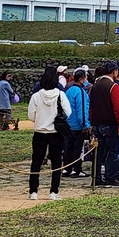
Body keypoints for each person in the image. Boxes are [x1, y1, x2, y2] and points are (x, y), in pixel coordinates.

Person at [27, 70, 71, 200]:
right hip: (56, 133)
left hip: (40, 132)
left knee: (36, 162)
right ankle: (54, 191)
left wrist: (40, 119)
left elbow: (31, 116)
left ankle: (33, 191)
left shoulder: (36, 96)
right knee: (56, 163)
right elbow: (68, 112)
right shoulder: (61, 95)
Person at [89, 61, 119, 188]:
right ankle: (110, 177)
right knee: (114, 152)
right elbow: (116, 107)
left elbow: (91, 106)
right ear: (114, 71)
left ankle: (96, 177)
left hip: (97, 123)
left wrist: (91, 121)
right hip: (110, 123)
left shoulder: (95, 85)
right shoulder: (113, 86)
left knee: (98, 153)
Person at [63, 69, 91, 177]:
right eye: (85, 78)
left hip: (68, 124)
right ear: (81, 79)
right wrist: (85, 125)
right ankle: (77, 168)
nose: (86, 80)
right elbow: (82, 110)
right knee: (78, 148)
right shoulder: (80, 92)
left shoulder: (69, 90)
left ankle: (67, 168)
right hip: (78, 125)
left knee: (68, 147)